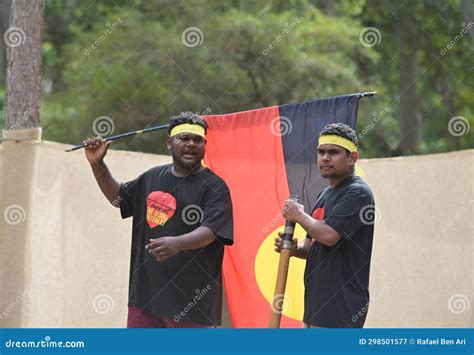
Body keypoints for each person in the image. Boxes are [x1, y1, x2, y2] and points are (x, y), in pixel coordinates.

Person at [84, 112, 234, 328]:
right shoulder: (151, 177)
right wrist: (97, 164)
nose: (191, 144)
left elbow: (211, 231)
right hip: (145, 300)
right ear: (169, 142)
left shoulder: (215, 187)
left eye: (197, 140)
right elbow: (119, 199)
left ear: (205, 144)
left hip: (192, 306)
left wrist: (178, 243)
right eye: (183, 138)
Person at [275, 123, 375, 328]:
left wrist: (299, 215)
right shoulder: (325, 193)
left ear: (352, 158)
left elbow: (329, 236)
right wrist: (296, 249)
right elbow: (313, 244)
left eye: (333, 152)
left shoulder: (357, 193)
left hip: (341, 312)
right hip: (316, 309)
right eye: (321, 152)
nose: (325, 157)